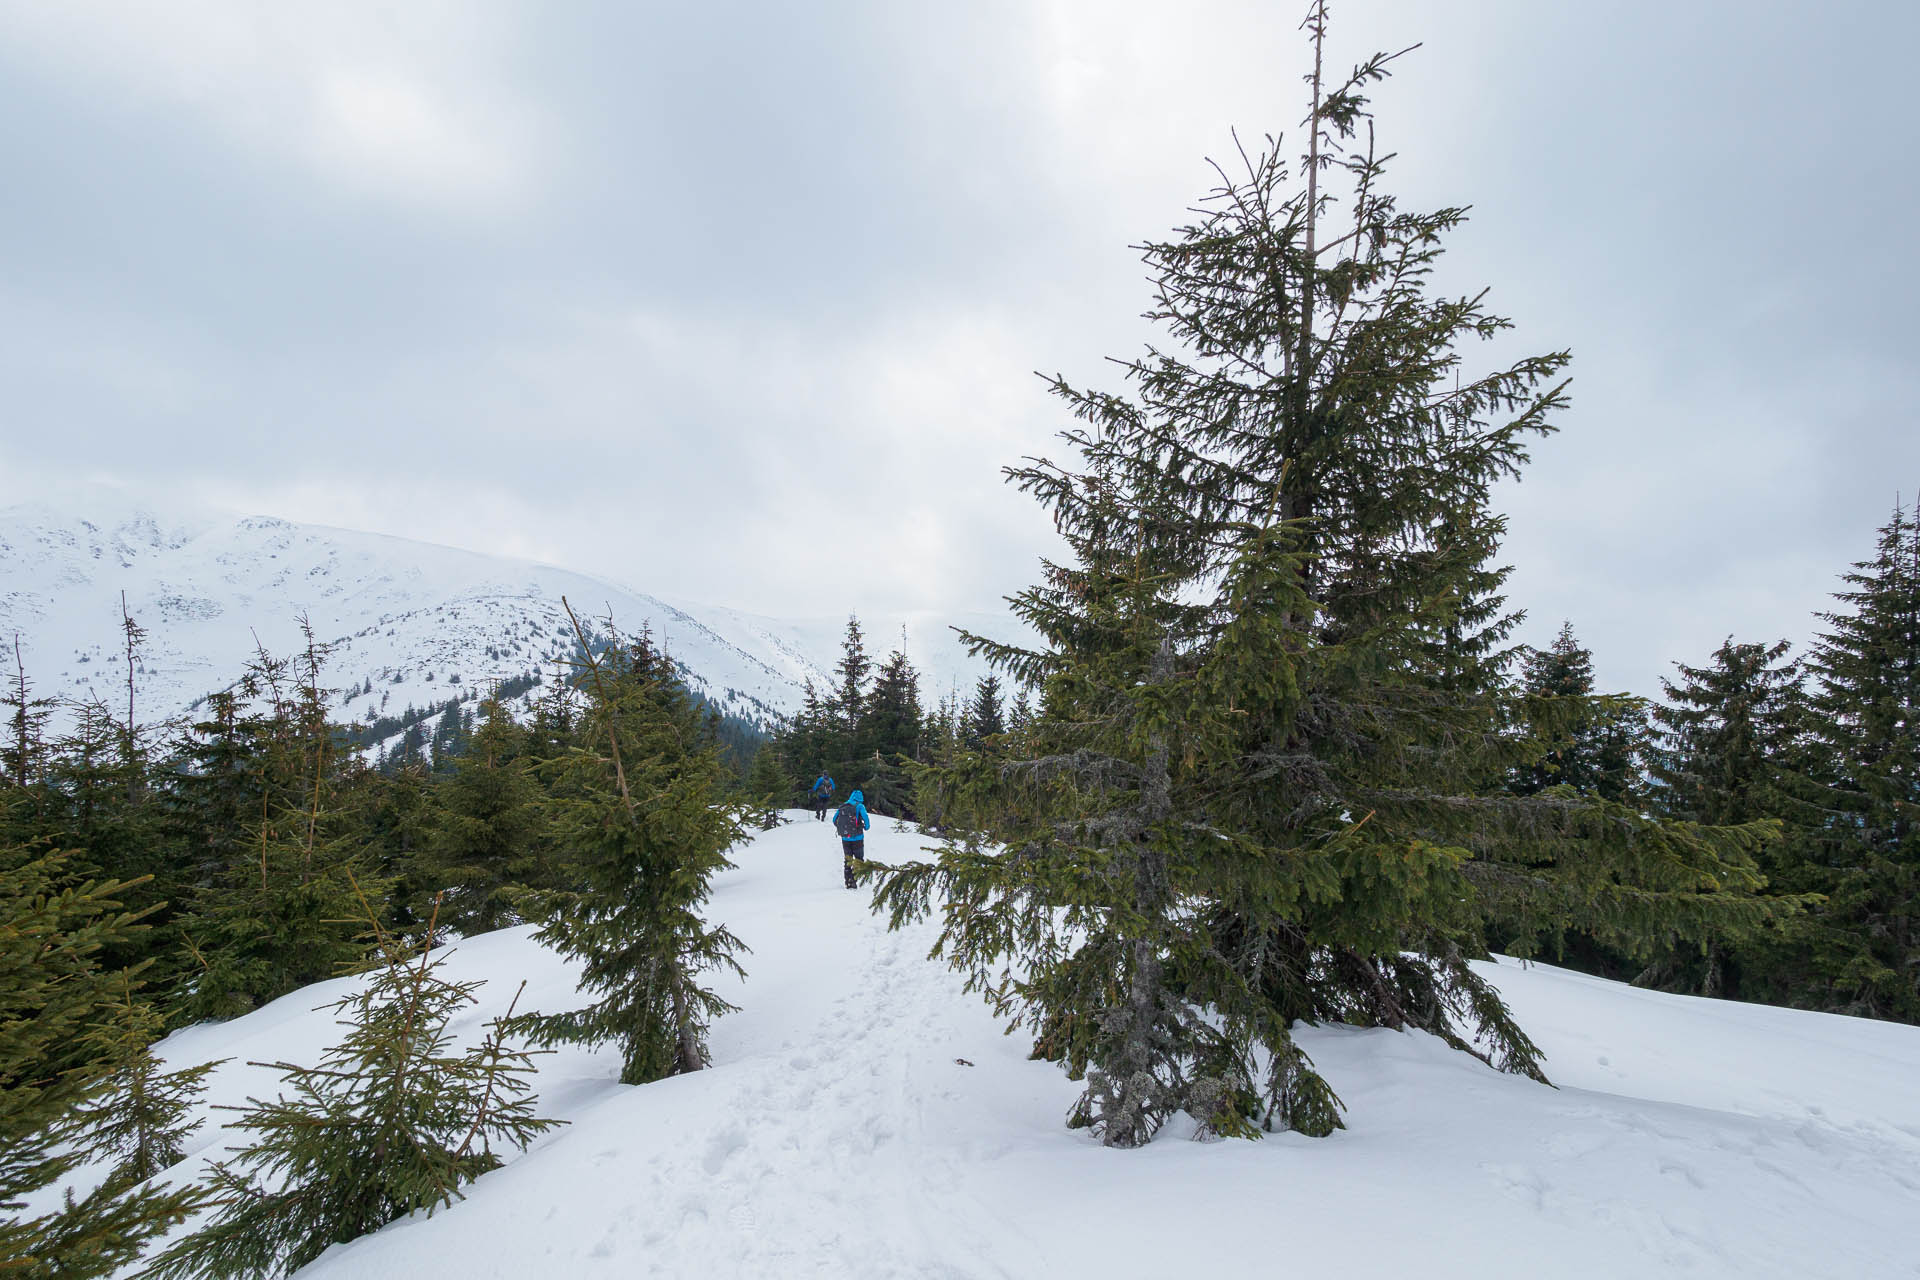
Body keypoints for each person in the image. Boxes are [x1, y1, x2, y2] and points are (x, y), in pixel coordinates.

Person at [833, 789, 870, 889]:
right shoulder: (860, 806)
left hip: (845, 838)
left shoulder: (843, 806)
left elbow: (834, 819)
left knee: (848, 859)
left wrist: (842, 829)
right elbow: (865, 818)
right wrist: (866, 827)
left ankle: (847, 881)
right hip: (857, 838)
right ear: (861, 798)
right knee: (858, 859)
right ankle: (853, 880)